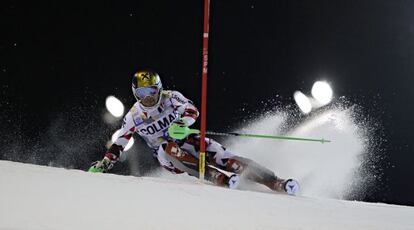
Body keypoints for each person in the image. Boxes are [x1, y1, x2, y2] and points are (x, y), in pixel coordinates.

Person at [89, 70, 299, 195]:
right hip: (169, 157)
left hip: (188, 140)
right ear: (136, 94)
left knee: (225, 158)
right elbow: (120, 142)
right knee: (165, 147)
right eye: (143, 93)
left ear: (159, 88)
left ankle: (273, 181)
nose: (149, 98)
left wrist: (181, 122)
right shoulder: (134, 115)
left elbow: (192, 110)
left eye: (152, 91)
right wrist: (106, 162)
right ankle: (212, 174)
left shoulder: (171, 97)